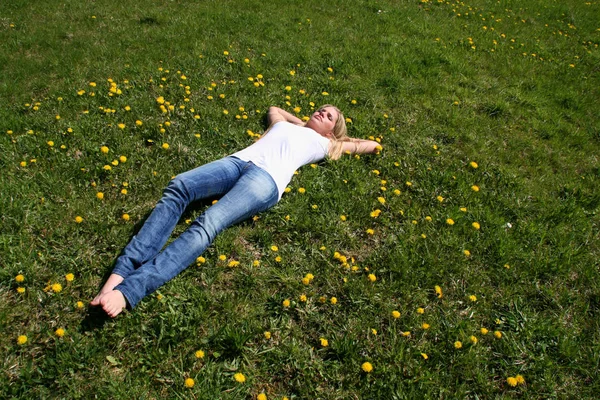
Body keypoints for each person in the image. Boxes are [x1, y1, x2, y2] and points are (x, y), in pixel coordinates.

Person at [91, 105, 381, 317]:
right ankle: (120, 274)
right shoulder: (287, 124)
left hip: (265, 180)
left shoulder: (328, 144)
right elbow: (274, 108)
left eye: (329, 116)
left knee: (208, 222)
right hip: (237, 162)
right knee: (180, 186)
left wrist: (334, 138)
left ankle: (130, 291)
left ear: (334, 130)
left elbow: (371, 145)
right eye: (320, 109)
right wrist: (303, 121)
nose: (322, 113)